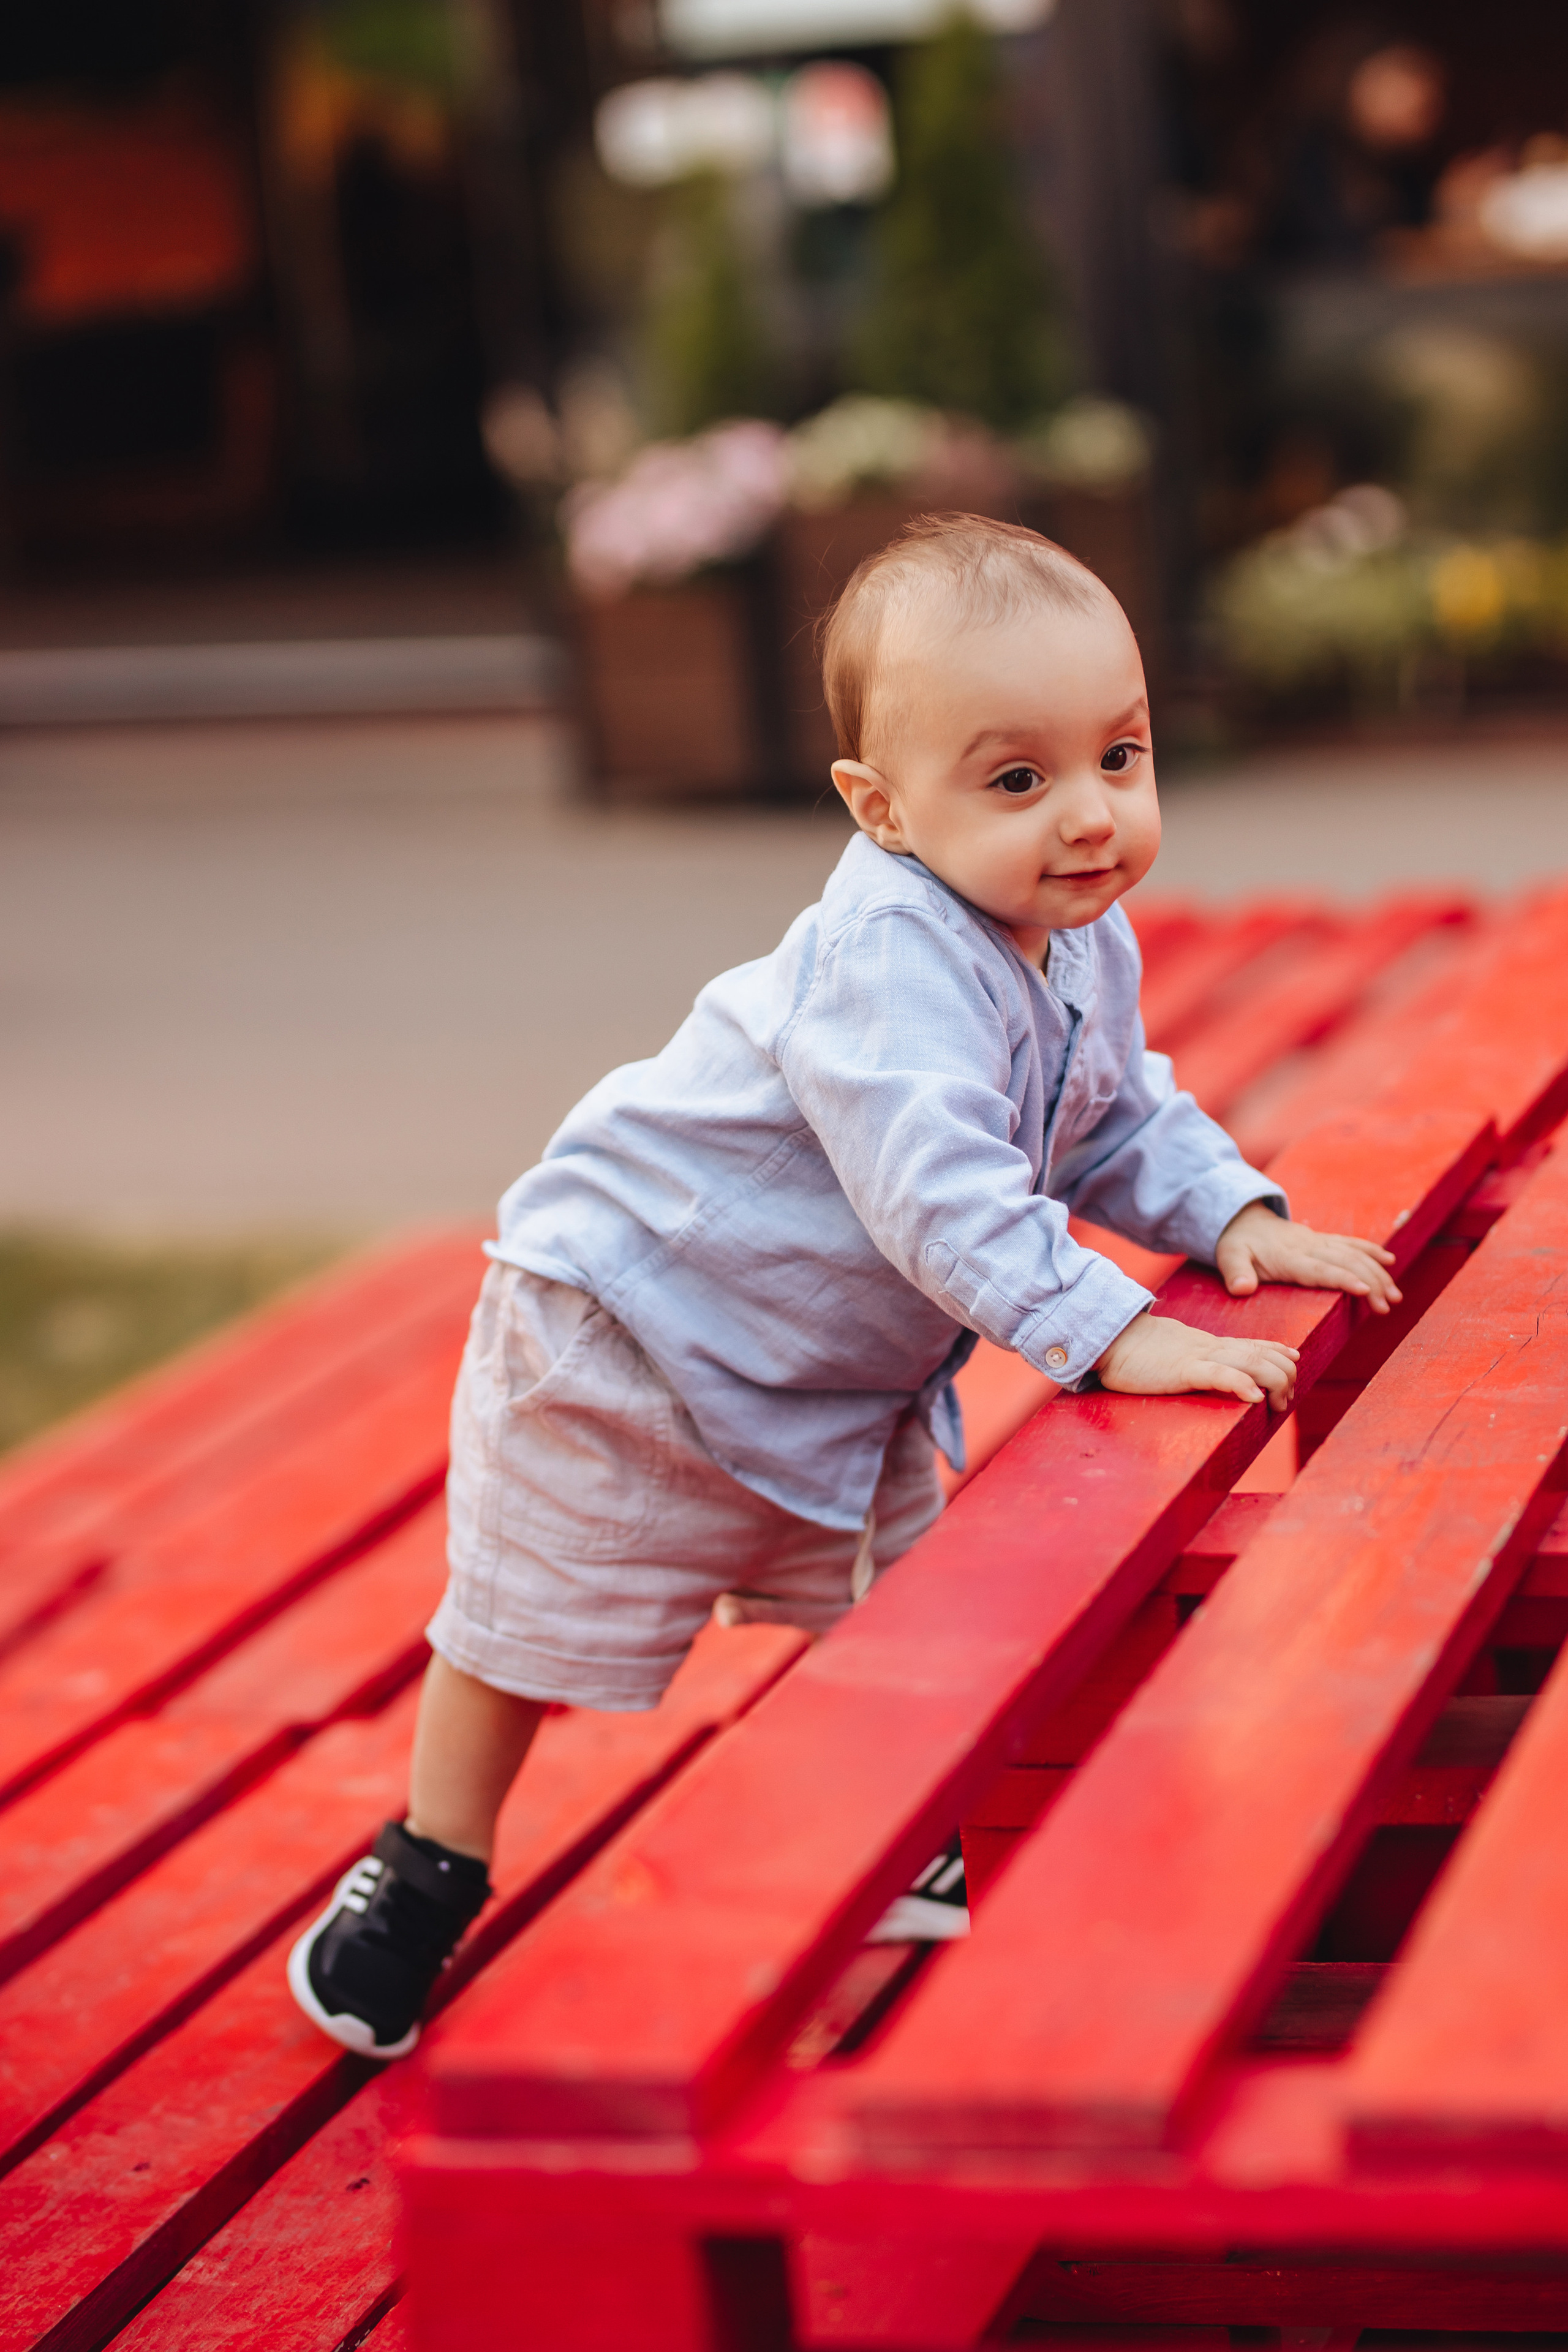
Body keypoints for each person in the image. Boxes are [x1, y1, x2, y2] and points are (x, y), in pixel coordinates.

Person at [287, 514, 1399, 2057]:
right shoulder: (886, 959)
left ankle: (899, 1831)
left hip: (822, 1357)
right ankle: (428, 1867)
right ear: (878, 809)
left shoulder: (1071, 929)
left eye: (1121, 758)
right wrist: (1107, 1329)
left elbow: (1113, 1106)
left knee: (903, 1604)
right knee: (526, 1624)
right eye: (1016, 780)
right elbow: (935, 1190)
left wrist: (1224, 1213)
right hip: (631, 1326)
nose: (1088, 817)